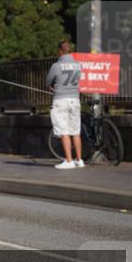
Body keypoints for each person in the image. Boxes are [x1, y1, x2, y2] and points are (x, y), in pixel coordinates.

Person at [47, 40, 84, 170]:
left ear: (60, 51)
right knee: (76, 132)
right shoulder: (78, 65)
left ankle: (69, 160)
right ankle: (79, 160)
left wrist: (52, 87)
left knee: (64, 131)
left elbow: (48, 82)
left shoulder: (56, 66)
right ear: (70, 51)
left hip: (61, 100)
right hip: (75, 99)